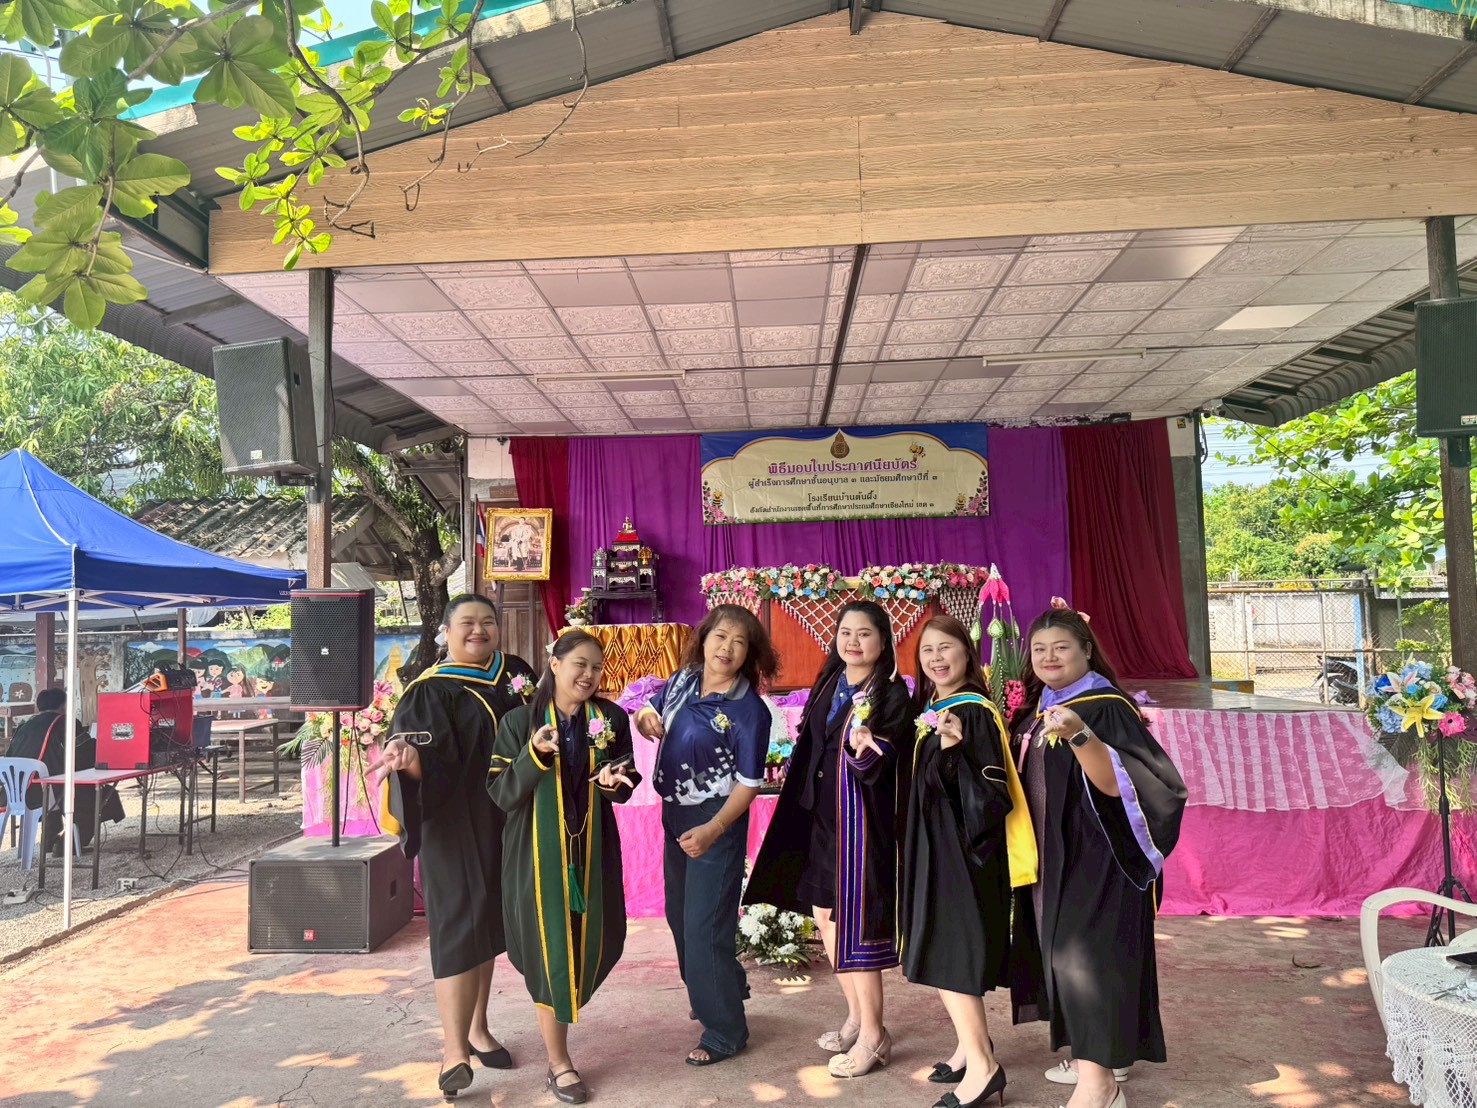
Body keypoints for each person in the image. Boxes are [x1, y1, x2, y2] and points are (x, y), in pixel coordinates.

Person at [1010, 601, 1187, 1108]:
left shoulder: (1104, 707)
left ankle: (1100, 1088)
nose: (1049, 657)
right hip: (1054, 855)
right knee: (1074, 960)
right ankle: (1102, 1058)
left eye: (1061, 647)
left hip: (1098, 857)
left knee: (1087, 963)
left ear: (1086, 651)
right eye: (1039, 649)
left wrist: (1079, 735)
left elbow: (1121, 783)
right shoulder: (1043, 705)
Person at [370, 595, 536, 1099]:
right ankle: (453, 1052)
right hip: (453, 825)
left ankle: (479, 1030)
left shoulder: (516, 674)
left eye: (488, 621)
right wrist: (410, 760)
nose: (478, 630)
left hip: (506, 819)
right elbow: (421, 754)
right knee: (458, 928)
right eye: (467, 623)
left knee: (489, 922)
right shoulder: (429, 691)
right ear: (446, 631)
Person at [745, 600, 912, 1079]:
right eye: (845, 632)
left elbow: (887, 758)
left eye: (864, 633)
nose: (852, 641)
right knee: (824, 916)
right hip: (821, 818)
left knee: (855, 924)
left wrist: (865, 749)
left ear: (883, 642)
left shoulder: (890, 695)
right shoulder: (831, 681)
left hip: (861, 825)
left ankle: (875, 1035)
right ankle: (856, 1016)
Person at [486, 630, 639, 1105]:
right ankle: (559, 1062)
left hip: (591, 854)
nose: (589, 674)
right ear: (554, 664)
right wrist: (533, 755)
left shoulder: (610, 718)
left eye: (596, 666)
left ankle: (563, 1035)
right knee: (548, 952)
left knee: (595, 942)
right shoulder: (519, 722)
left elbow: (627, 781)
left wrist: (615, 781)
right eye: (579, 664)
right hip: (536, 857)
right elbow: (501, 793)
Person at [633, 604, 778, 1067]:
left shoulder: (748, 711)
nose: (727, 648)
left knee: (704, 928)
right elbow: (653, 709)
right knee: (680, 919)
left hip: (716, 821)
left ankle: (725, 1031)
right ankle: (719, 987)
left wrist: (714, 829)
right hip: (674, 815)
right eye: (720, 636)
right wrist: (644, 716)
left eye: (739, 642)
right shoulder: (684, 679)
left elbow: (749, 784)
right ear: (704, 638)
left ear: (750, 653)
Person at [902, 616, 1036, 1108]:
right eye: (927, 650)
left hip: (961, 854)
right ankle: (968, 1046)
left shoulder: (973, 712)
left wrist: (954, 753)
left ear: (967, 652)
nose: (936, 658)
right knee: (943, 950)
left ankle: (984, 1069)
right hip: (938, 848)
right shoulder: (938, 708)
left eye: (946, 648)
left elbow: (987, 796)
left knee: (951, 954)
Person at [5, 688, 124, 855]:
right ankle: (67, 846)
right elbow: (85, 755)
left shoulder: (24, 726)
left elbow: (9, 757)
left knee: (56, 787)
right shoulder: (66, 723)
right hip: (48, 792)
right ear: (64, 705)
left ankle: (49, 841)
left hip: (17, 793)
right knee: (102, 796)